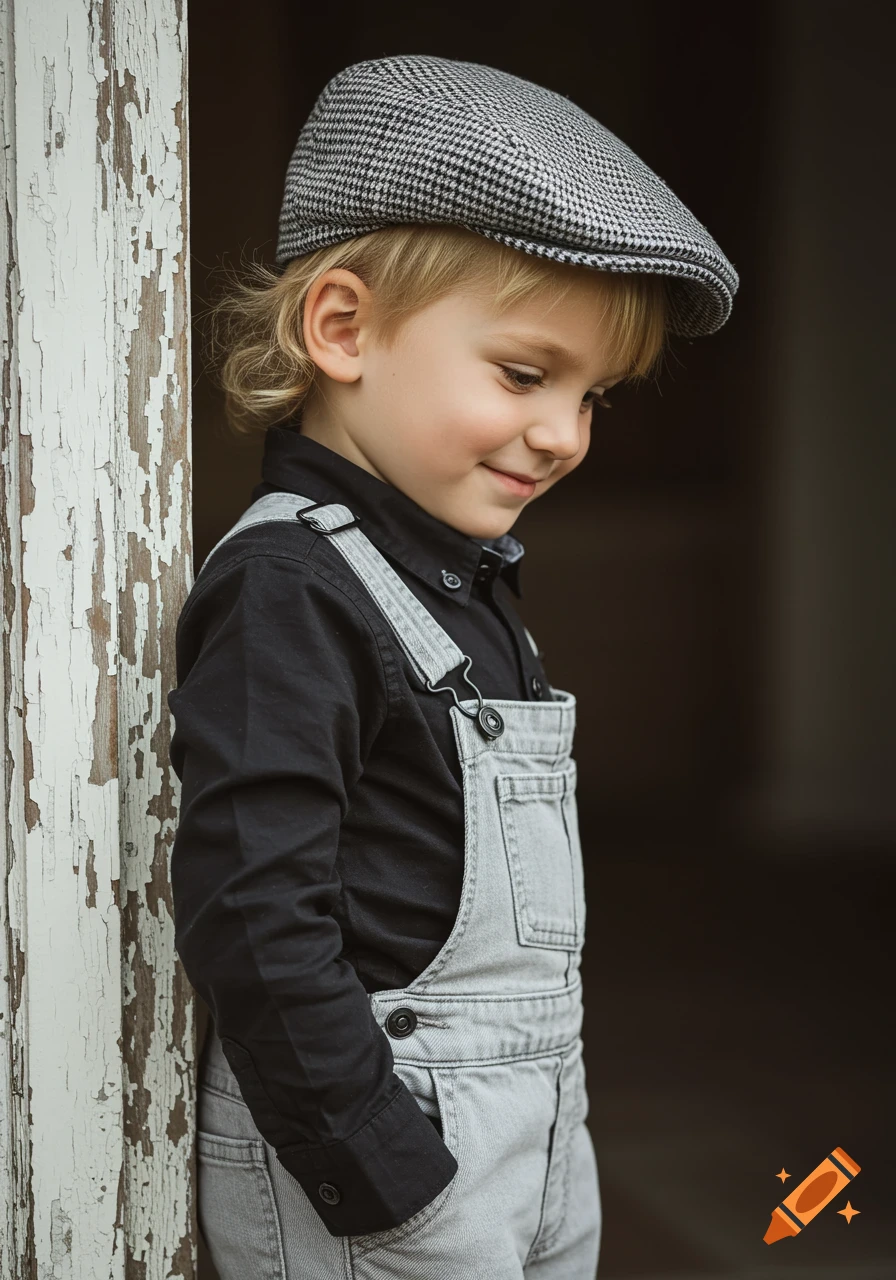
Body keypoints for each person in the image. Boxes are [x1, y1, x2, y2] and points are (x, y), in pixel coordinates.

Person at [167, 53, 737, 1279]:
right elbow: (254, 913)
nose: (562, 433)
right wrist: (386, 1175)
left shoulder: (457, 580)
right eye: (526, 375)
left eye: (596, 397)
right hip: (390, 1169)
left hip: (530, 1135)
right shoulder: (290, 590)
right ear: (341, 326)